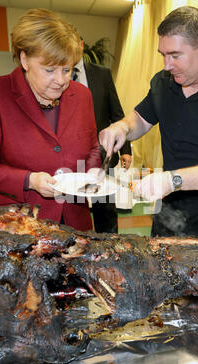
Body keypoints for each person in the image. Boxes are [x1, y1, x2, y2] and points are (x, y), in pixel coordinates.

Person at [99, 6, 198, 237]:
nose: (167, 65)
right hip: (170, 209)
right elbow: (141, 119)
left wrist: (171, 180)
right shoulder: (164, 82)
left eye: (175, 55)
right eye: (163, 55)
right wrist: (122, 127)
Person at [0, 8, 101, 231]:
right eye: (49, 70)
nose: (60, 80)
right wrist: (30, 180)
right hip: (17, 225)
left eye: (67, 70)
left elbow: (92, 146)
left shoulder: (82, 95)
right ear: (25, 59)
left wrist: (94, 170)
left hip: (75, 222)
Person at [73, 55, 132, 233]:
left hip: (102, 152)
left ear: (80, 45)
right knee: (72, 207)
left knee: (105, 207)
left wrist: (125, 150)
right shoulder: (57, 74)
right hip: (70, 156)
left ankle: (110, 246)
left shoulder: (102, 74)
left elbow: (116, 112)